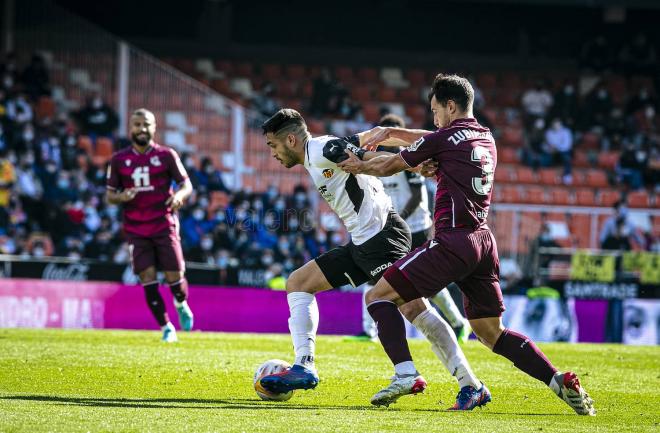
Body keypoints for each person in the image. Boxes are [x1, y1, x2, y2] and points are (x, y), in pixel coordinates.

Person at [338, 73, 595, 415]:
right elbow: (432, 138)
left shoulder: (444, 138)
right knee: (491, 333)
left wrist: (356, 166)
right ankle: (557, 379)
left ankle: (405, 374)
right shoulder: (485, 136)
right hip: (483, 243)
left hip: (452, 241)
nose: (434, 119)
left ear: (449, 105)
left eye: (436, 111)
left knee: (377, 296)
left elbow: (391, 165)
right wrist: (391, 133)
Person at [257, 108, 484, 410]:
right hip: (362, 243)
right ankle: (305, 364)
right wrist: (381, 133)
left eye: (273, 145)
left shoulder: (323, 148)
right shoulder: (320, 152)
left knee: (413, 307)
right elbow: (361, 141)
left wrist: (416, 167)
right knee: (299, 283)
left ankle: (449, 379)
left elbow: (364, 159)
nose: (273, 153)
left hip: (382, 236)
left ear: (290, 140)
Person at [352, 113, 471, 342]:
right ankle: (368, 330)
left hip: (416, 228)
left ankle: (458, 323)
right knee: (373, 274)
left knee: (428, 284)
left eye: (393, 134)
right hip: (392, 228)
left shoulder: (411, 159)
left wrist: (399, 219)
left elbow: (417, 196)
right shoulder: (378, 160)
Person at [106, 108, 194, 343]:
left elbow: (186, 185)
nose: (141, 129)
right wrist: (122, 196)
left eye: (146, 124)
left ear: (154, 127)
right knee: (147, 277)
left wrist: (179, 197)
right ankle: (166, 327)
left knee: (175, 274)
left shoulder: (167, 155)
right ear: (130, 128)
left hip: (164, 224)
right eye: (137, 125)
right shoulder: (118, 160)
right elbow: (110, 195)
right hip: (136, 229)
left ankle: (180, 301)